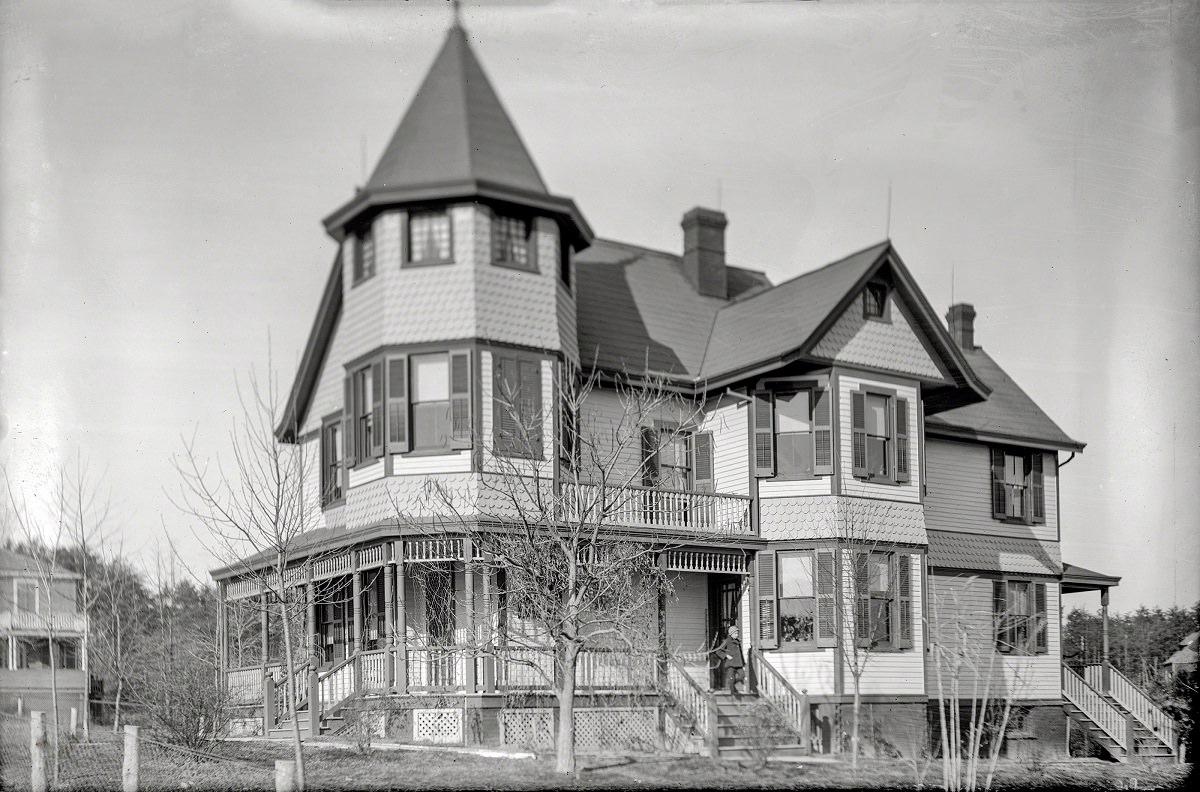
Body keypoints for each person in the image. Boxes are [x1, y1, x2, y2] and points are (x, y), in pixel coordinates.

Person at [715, 624, 745, 695]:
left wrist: (743, 663)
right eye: (735, 633)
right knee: (732, 678)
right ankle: (733, 694)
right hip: (730, 664)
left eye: (737, 633)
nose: (737, 635)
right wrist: (726, 655)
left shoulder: (738, 642)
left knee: (742, 675)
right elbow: (718, 651)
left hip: (738, 664)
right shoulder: (726, 641)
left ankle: (732, 684)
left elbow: (740, 654)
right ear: (731, 634)